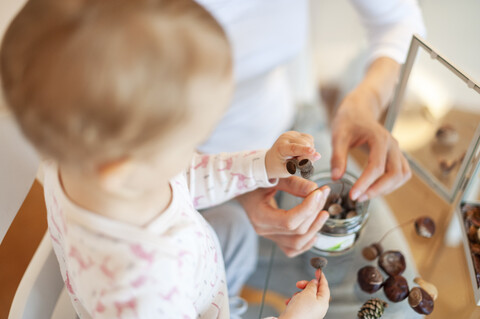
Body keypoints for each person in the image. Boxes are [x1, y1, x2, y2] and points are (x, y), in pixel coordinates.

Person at [1, 0, 331, 318]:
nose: (198, 150)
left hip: (196, 278)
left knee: (234, 229)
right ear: (123, 171)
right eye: (194, 140)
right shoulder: (143, 296)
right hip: (182, 299)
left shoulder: (76, 159)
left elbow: (187, 175)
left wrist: (263, 164)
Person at [193, 0, 426, 307]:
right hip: (185, 175)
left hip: (292, 131)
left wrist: (366, 102)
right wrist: (241, 186)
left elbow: (399, 19)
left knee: (395, 307)